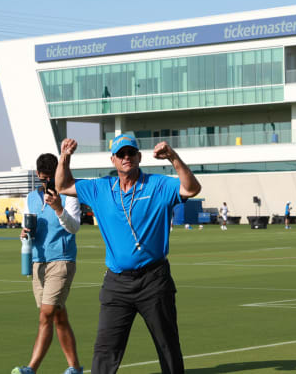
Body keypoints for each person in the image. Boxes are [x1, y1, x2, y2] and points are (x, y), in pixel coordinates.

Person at [56, 134, 201, 374]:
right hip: (117, 282)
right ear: (112, 159)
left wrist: (173, 158)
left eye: (131, 153)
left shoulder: (158, 185)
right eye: (121, 154)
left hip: (153, 280)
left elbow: (192, 188)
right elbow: (62, 185)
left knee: (167, 345)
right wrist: (64, 158)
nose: (126, 158)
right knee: (105, 349)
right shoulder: (100, 187)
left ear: (139, 157)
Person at [12, 153, 84, 374]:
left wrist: (58, 208)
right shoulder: (30, 198)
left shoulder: (69, 195)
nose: (47, 183)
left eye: (50, 178)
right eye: (43, 179)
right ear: (37, 175)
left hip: (61, 261)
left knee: (46, 314)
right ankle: (75, 368)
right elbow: (28, 229)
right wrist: (24, 233)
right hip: (37, 262)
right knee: (58, 316)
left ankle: (31, 368)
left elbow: (74, 227)